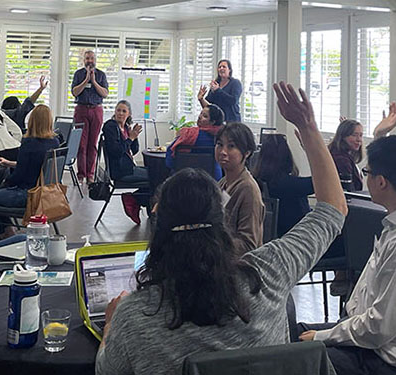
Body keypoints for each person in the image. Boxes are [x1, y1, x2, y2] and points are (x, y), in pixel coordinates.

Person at [94, 81, 347, 375]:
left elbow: (106, 371)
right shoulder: (271, 273)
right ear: (220, 222)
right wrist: (308, 127)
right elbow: (333, 209)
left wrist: (111, 324)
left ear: (160, 230)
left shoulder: (136, 317)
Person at [297, 135, 396, 375]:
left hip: (384, 360)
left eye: (367, 172)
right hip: (369, 337)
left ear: (381, 182)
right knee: (294, 334)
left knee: (293, 358)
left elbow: (380, 329)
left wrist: (323, 336)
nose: (365, 177)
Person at [0, 104, 60, 240]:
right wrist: (10, 163)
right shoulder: (54, 142)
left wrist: (5, 183)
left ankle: (0, 235)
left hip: (27, 196)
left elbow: (19, 176)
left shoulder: (29, 143)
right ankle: (7, 231)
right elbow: (37, 166)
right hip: (45, 195)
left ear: (32, 121)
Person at [215, 121, 263, 255]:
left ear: (246, 153)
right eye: (219, 145)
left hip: (238, 268)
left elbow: (249, 244)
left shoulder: (248, 189)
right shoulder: (223, 183)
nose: (223, 152)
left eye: (231, 146)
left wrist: (211, 244)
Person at [329, 104, 396, 192]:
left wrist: (379, 135)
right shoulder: (342, 160)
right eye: (354, 135)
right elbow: (349, 194)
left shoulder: (348, 155)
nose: (359, 140)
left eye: (361, 135)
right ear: (343, 136)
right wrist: (378, 135)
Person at [252, 133, 312, 237]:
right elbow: (321, 181)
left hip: (275, 234)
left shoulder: (257, 180)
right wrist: (308, 149)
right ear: (286, 155)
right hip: (297, 235)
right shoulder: (289, 184)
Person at [101, 100, 149, 225]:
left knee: (156, 173)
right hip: (120, 171)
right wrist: (130, 138)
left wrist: (134, 136)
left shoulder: (126, 128)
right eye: (118, 110)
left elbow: (134, 150)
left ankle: (138, 201)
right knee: (156, 176)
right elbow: (115, 151)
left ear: (129, 114)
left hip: (129, 167)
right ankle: (135, 200)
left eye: (124, 111)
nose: (120, 114)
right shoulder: (110, 126)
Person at [71, 50, 110, 183]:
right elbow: (74, 92)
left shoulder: (101, 75)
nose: (90, 61)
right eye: (87, 58)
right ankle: (81, 174)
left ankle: (91, 174)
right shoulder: (78, 74)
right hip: (81, 110)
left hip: (96, 110)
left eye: (92, 58)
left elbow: (104, 93)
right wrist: (86, 79)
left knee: (92, 144)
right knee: (81, 144)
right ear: (84, 60)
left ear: (95, 60)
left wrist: (93, 81)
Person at [165, 103, 224, 180]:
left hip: (183, 178)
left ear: (212, 122)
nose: (199, 117)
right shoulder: (221, 137)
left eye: (205, 116)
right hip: (213, 178)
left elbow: (170, 158)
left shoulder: (188, 135)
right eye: (201, 113)